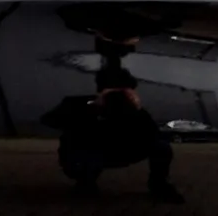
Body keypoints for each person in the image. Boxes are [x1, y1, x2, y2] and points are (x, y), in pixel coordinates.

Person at [43, 66, 182, 203]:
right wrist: (91, 107)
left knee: (161, 147)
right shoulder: (78, 103)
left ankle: (159, 183)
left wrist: (138, 111)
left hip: (119, 150)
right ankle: (85, 182)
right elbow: (49, 120)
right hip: (89, 151)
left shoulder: (131, 108)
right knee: (83, 150)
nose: (116, 96)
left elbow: (153, 135)